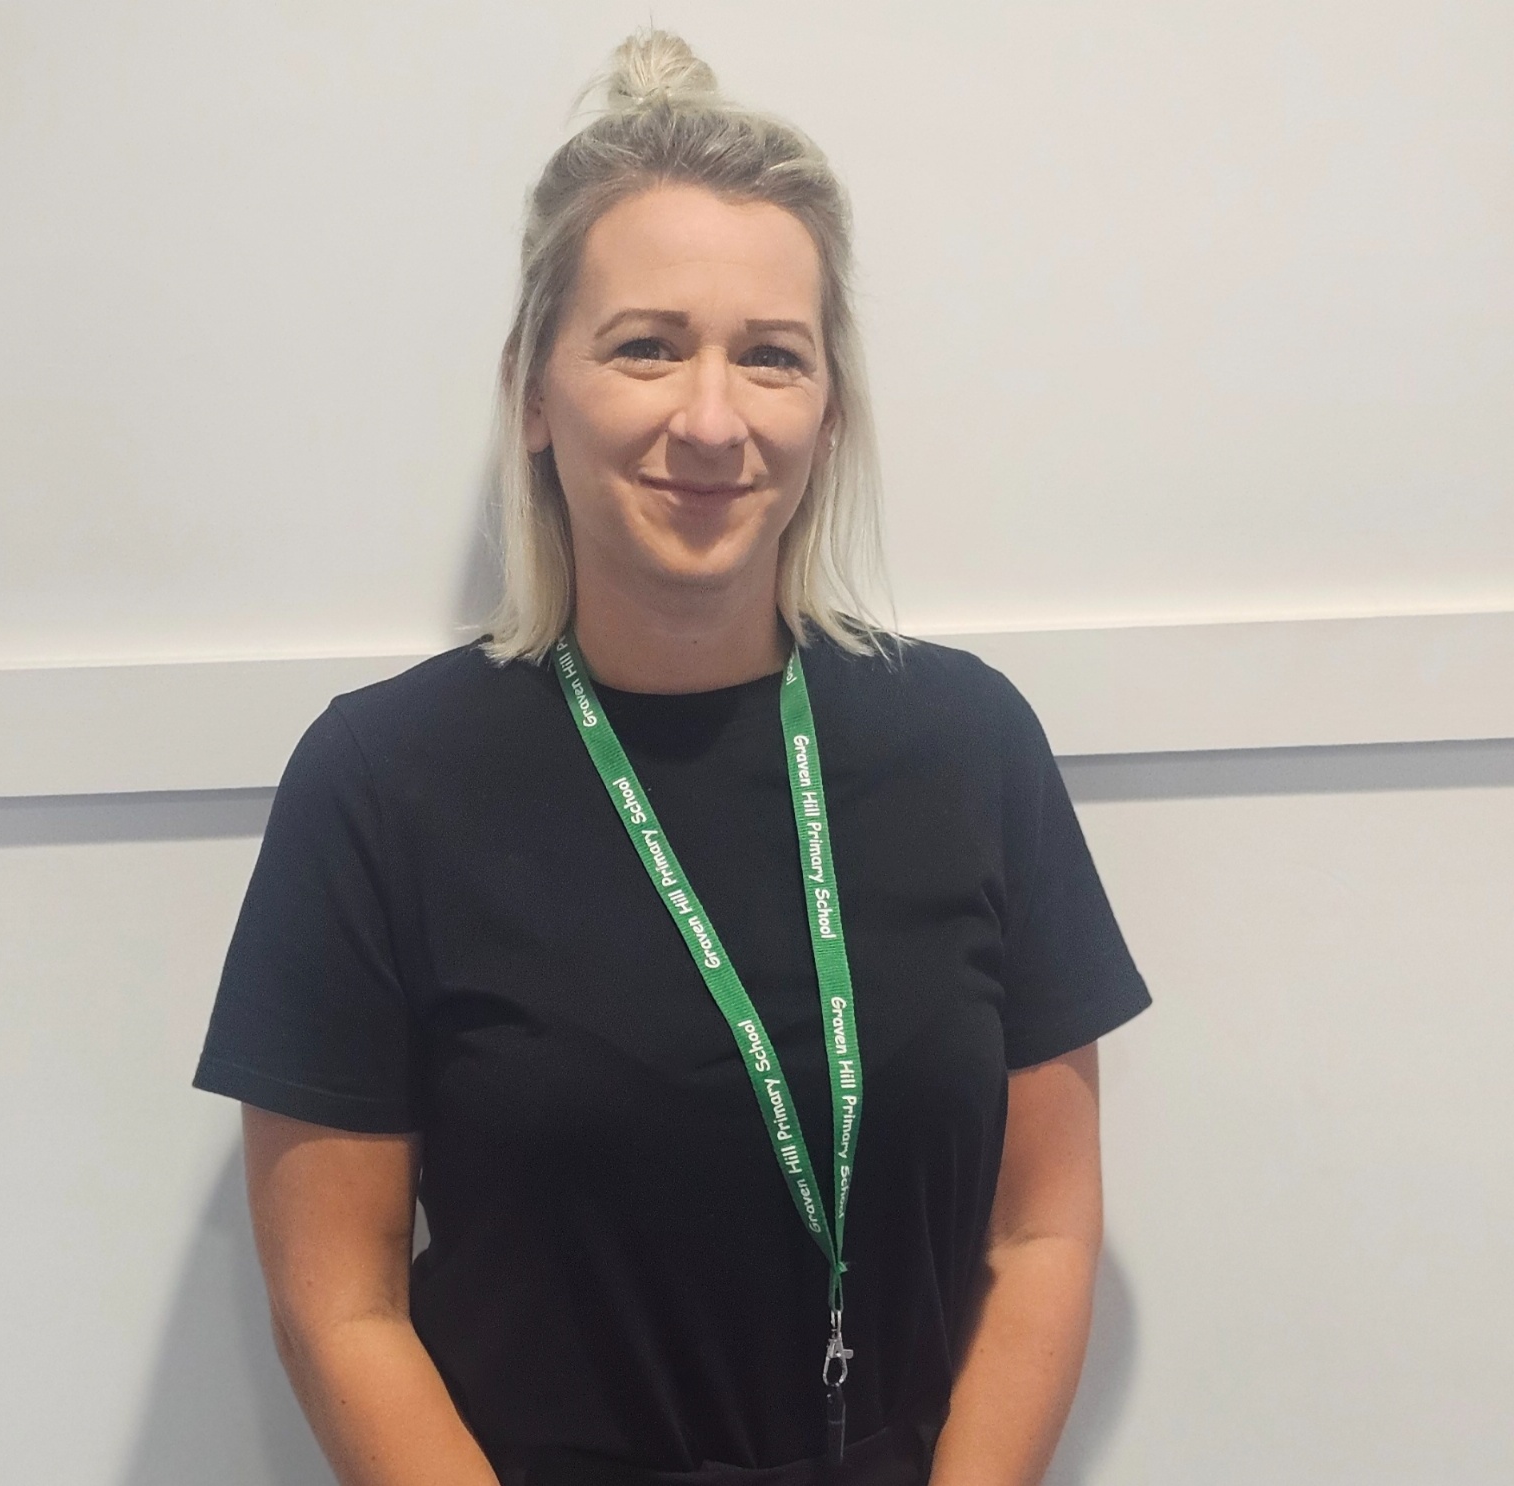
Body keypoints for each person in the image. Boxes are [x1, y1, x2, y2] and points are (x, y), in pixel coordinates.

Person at [193, 28, 1150, 1486]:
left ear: (829, 410)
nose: (712, 419)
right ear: (532, 391)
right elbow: (341, 1307)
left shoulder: (971, 746)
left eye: (771, 357)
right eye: (646, 345)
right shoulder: (381, 783)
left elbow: (1043, 1229)